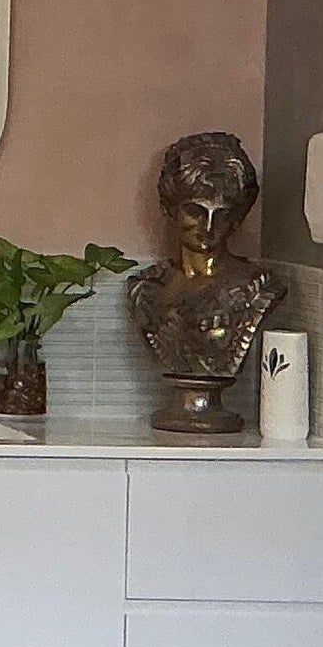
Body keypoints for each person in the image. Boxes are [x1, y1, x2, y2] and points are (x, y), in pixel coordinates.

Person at [130, 130, 287, 434]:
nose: (209, 226)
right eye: (195, 211)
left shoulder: (258, 288)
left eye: (222, 214)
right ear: (171, 210)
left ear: (236, 219)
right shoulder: (147, 289)